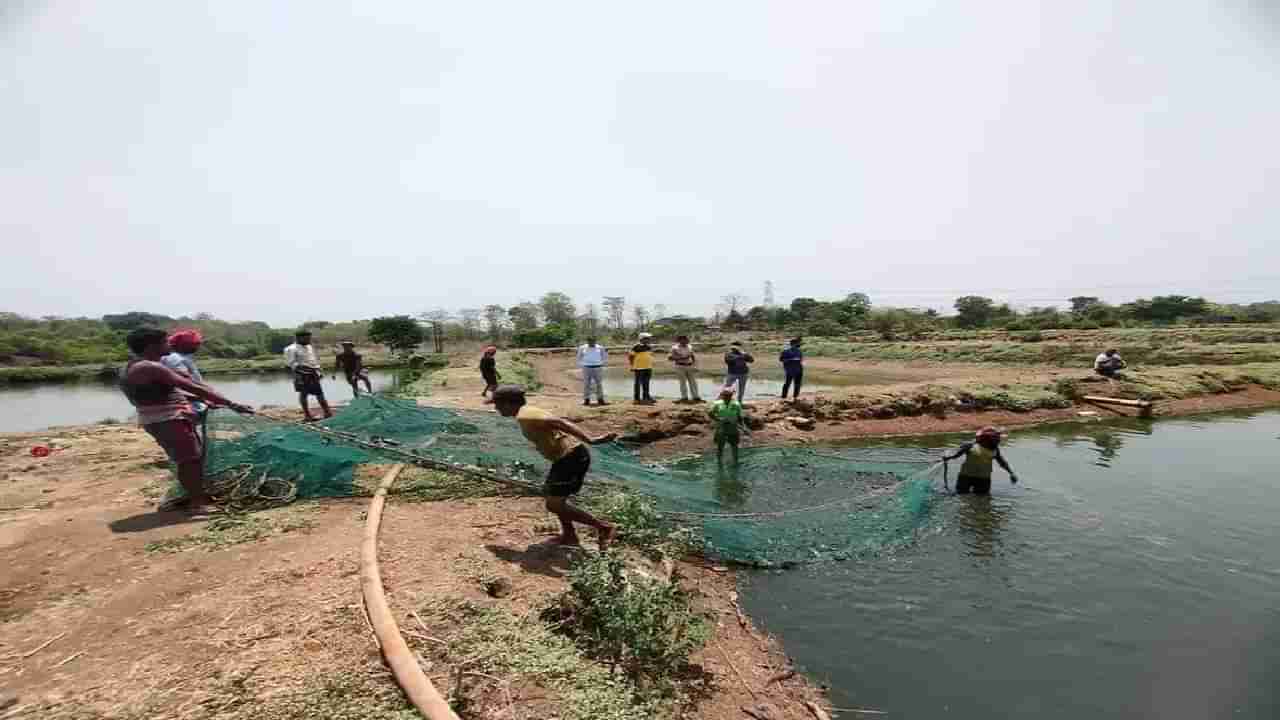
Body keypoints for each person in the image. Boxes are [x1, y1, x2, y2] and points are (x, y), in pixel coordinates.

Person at [120, 327, 253, 517]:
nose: (169, 345)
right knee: (189, 460)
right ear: (151, 346)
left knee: (191, 458)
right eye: (165, 342)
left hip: (163, 418)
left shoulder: (136, 365)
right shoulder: (149, 367)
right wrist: (232, 404)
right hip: (168, 419)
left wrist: (205, 401)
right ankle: (197, 505)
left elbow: (169, 390)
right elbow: (190, 386)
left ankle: (195, 497)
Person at [492, 385, 617, 548]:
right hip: (564, 458)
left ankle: (604, 527)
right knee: (554, 497)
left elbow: (558, 422)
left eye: (498, 405)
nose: (496, 408)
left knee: (554, 504)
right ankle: (570, 535)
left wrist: (590, 439)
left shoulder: (526, 416)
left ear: (508, 404)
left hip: (571, 458)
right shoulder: (527, 411)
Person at [162, 328, 210, 450]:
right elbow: (182, 384)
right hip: (185, 404)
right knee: (189, 441)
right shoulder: (175, 359)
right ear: (184, 345)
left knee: (193, 438)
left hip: (192, 401)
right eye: (195, 344)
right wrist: (205, 398)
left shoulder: (182, 357)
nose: (197, 347)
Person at [941, 427, 1019, 495]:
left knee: (970, 497)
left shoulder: (994, 450)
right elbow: (955, 455)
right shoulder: (970, 446)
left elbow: (1002, 462)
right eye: (996, 438)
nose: (997, 441)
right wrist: (948, 457)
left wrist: (1011, 473)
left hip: (981, 478)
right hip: (968, 477)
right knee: (966, 495)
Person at [283, 330, 333, 421]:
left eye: (309, 338)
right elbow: (291, 363)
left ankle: (327, 413)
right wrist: (303, 371)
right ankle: (307, 415)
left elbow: (314, 360)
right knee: (304, 394)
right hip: (301, 374)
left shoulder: (309, 347)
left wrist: (318, 371)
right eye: (307, 338)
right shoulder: (290, 348)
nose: (309, 340)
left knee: (319, 393)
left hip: (313, 372)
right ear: (299, 338)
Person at [709, 386, 748, 465]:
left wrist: (744, 427)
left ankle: (735, 462)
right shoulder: (717, 403)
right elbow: (710, 413)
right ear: (722, 395)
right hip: (721, 427)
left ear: (732, 395)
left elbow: (740, 417)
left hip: (733, 427)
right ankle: (719, 463)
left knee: (734, 446)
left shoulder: (736, 404)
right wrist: (718, 419)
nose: (727, 397)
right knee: (720, 446)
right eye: (726, 395)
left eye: (729, 395)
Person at [668, 335, 701, 403]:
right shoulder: (675, 348)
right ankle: (684, 397)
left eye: (687, 339)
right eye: (685, 339)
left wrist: (695, 364)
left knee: (693, 382)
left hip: (689, 365)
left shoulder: (689, 346)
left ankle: (696, 397)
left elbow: (692, 355)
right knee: (682, 383)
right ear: (680, 340)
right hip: (680, 366)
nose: (687, 340)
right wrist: (681, 358)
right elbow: (670, 358)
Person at [576, 337, 608, 406]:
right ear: (587, 341)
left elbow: (604, 357)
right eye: (590, 341)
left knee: (599, 384)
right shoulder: (582, 348)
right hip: (586, 368)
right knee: (586, 384)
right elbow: (578, 357)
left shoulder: (600, 348)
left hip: (598, 367)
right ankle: (586, 400)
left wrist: (602, 364)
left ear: (595, 341)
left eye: (593, 341)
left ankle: (600, 399)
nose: (591, 342)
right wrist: (582, 365)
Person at [628, 332, 655, 405]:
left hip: (648, 367)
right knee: (637, 384)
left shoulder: (649, 346)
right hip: (639, 368)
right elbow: (630, 356)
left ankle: (646, 397)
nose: (649, 340)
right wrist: (632, 366)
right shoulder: (636, 346)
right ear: (642, 339)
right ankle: (636, 399)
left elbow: (649, 355)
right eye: (647, 338)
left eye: (649, 338)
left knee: (646, 383)